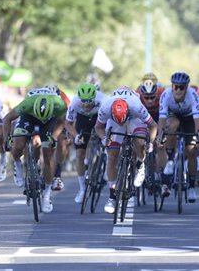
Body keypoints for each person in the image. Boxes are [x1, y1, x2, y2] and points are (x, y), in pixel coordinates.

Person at [94, 86, 157, 214]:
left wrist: (149, 142)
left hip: (134, 118)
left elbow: (153, 125)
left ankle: (140, 165)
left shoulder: (136, 106)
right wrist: (104, 139)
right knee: (112, 156)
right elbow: (98, 128)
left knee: (139, 141)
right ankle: (112, 195)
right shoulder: (105, 108)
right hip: (114, 121)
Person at [3, 92, 67, 213]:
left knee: (48, 155)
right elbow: (7, 119)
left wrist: (53, 137)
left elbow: (62, 122)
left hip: (50, 121)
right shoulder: (27, 104)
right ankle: (17, 163)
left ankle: (47, 195)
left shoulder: (59, 105)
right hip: (29, 117)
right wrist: (7, 140)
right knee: (18, 143)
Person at [157, 72, 199, 202]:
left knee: (192, 151)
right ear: (172, 86)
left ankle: (192, 186)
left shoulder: (193, 96)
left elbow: (197, 120)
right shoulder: (166, 95)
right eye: (175, 87)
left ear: (187, 87)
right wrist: (160, 135)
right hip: (174, 116)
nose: (178, 90)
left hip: (189, 118)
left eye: (181, 87)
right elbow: (162, 118)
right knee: (172, 126)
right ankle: (171, 160)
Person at [64, 83, 105, 203]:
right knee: (79, 153)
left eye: (89, 101)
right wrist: (76, 136)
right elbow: (68, 124)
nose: (86, 104)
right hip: (83, 119)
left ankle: (104, 161)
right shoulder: (75, 103)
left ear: (94, 97)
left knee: (108, 144)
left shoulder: (103, 100)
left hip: (100, 118)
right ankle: (82, 189)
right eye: (84, 101)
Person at [136, 77, 166, 187]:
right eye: (146, 98)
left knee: (160, 143)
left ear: (156, 95)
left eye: (152, 97)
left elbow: (165, 115)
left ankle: (159, 172)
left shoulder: (162, 93)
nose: (149, 100)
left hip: (158, 115)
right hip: (143, 115)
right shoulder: (137, 95)